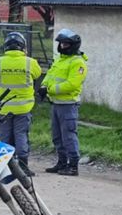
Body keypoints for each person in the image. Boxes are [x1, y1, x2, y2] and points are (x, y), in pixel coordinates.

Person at [0, 32, 42, 176]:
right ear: (23, 47)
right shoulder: (30, 62)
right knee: (21, 135)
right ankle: (23, 166)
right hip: (23, 108)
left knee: (4, 136)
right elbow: (37, 74)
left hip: (4, 108)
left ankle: (3, 166)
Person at [38, 28, 89, 176]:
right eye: (60, 44)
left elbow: (72, 84)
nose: (62, 47)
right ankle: (62, 162)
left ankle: (73, 166)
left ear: (73, 45)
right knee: (57, 136)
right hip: (56, 103)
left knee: (68, 136)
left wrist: (51, 89)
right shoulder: (60, 59)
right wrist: (43, 86)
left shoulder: (78, 63)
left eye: (65, 44)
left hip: (68, 104)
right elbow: (50, 74)